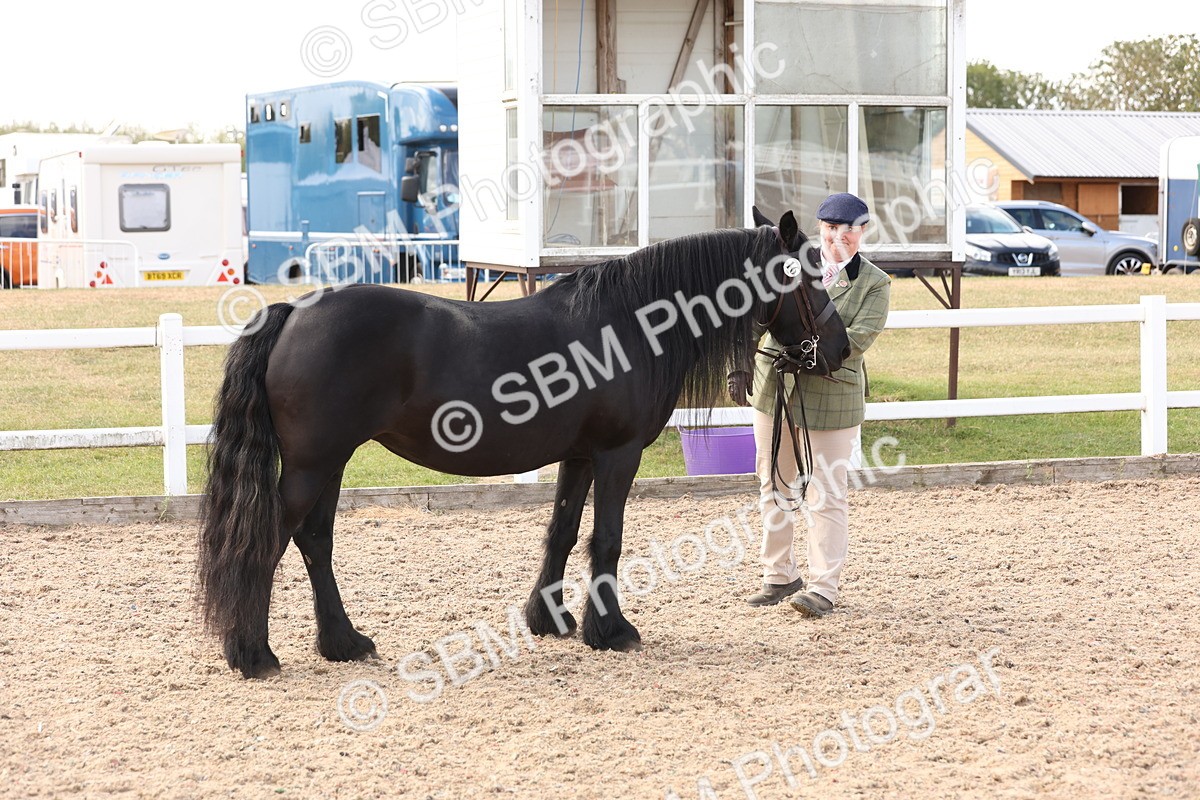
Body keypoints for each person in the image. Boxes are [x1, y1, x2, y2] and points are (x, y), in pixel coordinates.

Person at [729, 192, 891, 617]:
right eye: (830, 229)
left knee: (826, 493)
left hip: (831, 395)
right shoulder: (792, 266)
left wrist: (807, 354)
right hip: (774, 391)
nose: (838, 237)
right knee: (773, 482)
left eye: (847, 230)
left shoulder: (874, 283)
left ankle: (823, 587)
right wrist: (739, 362)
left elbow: (855, 340)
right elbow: (755, 312)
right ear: (820, 229)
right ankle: (779, 575)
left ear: (862, 232)